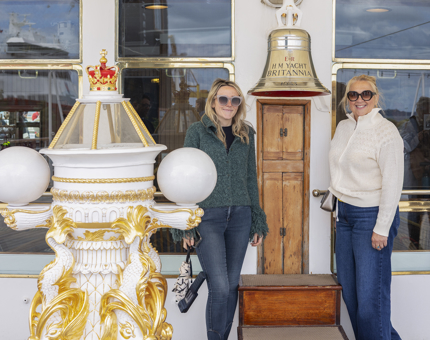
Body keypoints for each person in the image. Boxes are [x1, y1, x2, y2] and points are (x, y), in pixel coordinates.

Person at [171, 78, 268, 340]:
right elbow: (184, 177)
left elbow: (251, 177)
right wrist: (186, 224)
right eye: (223, 99)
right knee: (220, 286)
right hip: (207, 217)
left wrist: (257, 218)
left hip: (241, 216)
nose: (229, 104)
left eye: (235, 100)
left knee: (232, 285)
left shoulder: (246, 132)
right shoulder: (198, 131)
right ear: (213, 101)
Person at [329, 75, 403, 340]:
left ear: (375, 97)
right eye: (353, 95)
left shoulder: (386, 131)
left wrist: (381, 227)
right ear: (347, 99)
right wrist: (337, 207)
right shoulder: (343, 127)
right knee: (351, 294)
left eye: (366, 94)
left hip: (371, 218)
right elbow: (338, 170)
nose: (359, 99)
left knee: (371, 299)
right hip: (346, 217)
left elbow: (393, 183)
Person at [399, 96, 430, 249]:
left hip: (428, 171)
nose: (425, 113)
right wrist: (418, 137)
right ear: (418, 110)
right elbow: (403, 147)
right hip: (415, 172)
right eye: (423, 109)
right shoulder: (408, 126)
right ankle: (414, 243)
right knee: (414, 209)